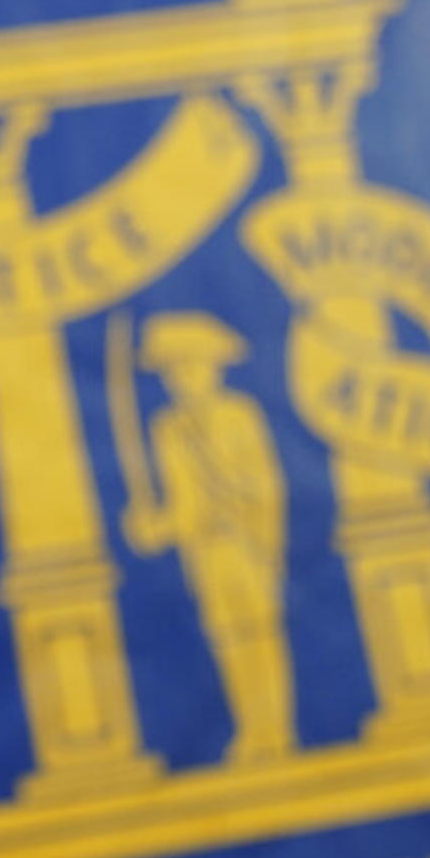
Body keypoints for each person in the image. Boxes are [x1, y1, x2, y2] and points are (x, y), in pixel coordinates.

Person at [121, 310, 296, 765]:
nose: (184, 378)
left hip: (246, 541)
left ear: (214, 367)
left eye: (193, 365)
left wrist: (252, 534)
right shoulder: (168, 429)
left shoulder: (240, 415)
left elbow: (264, 483)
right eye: (174, 370)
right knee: (228, 637)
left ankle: (276, 729)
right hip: (205, 553)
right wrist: (155, 527)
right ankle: (253, 730)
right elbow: (182, 502)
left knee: (260, 632)